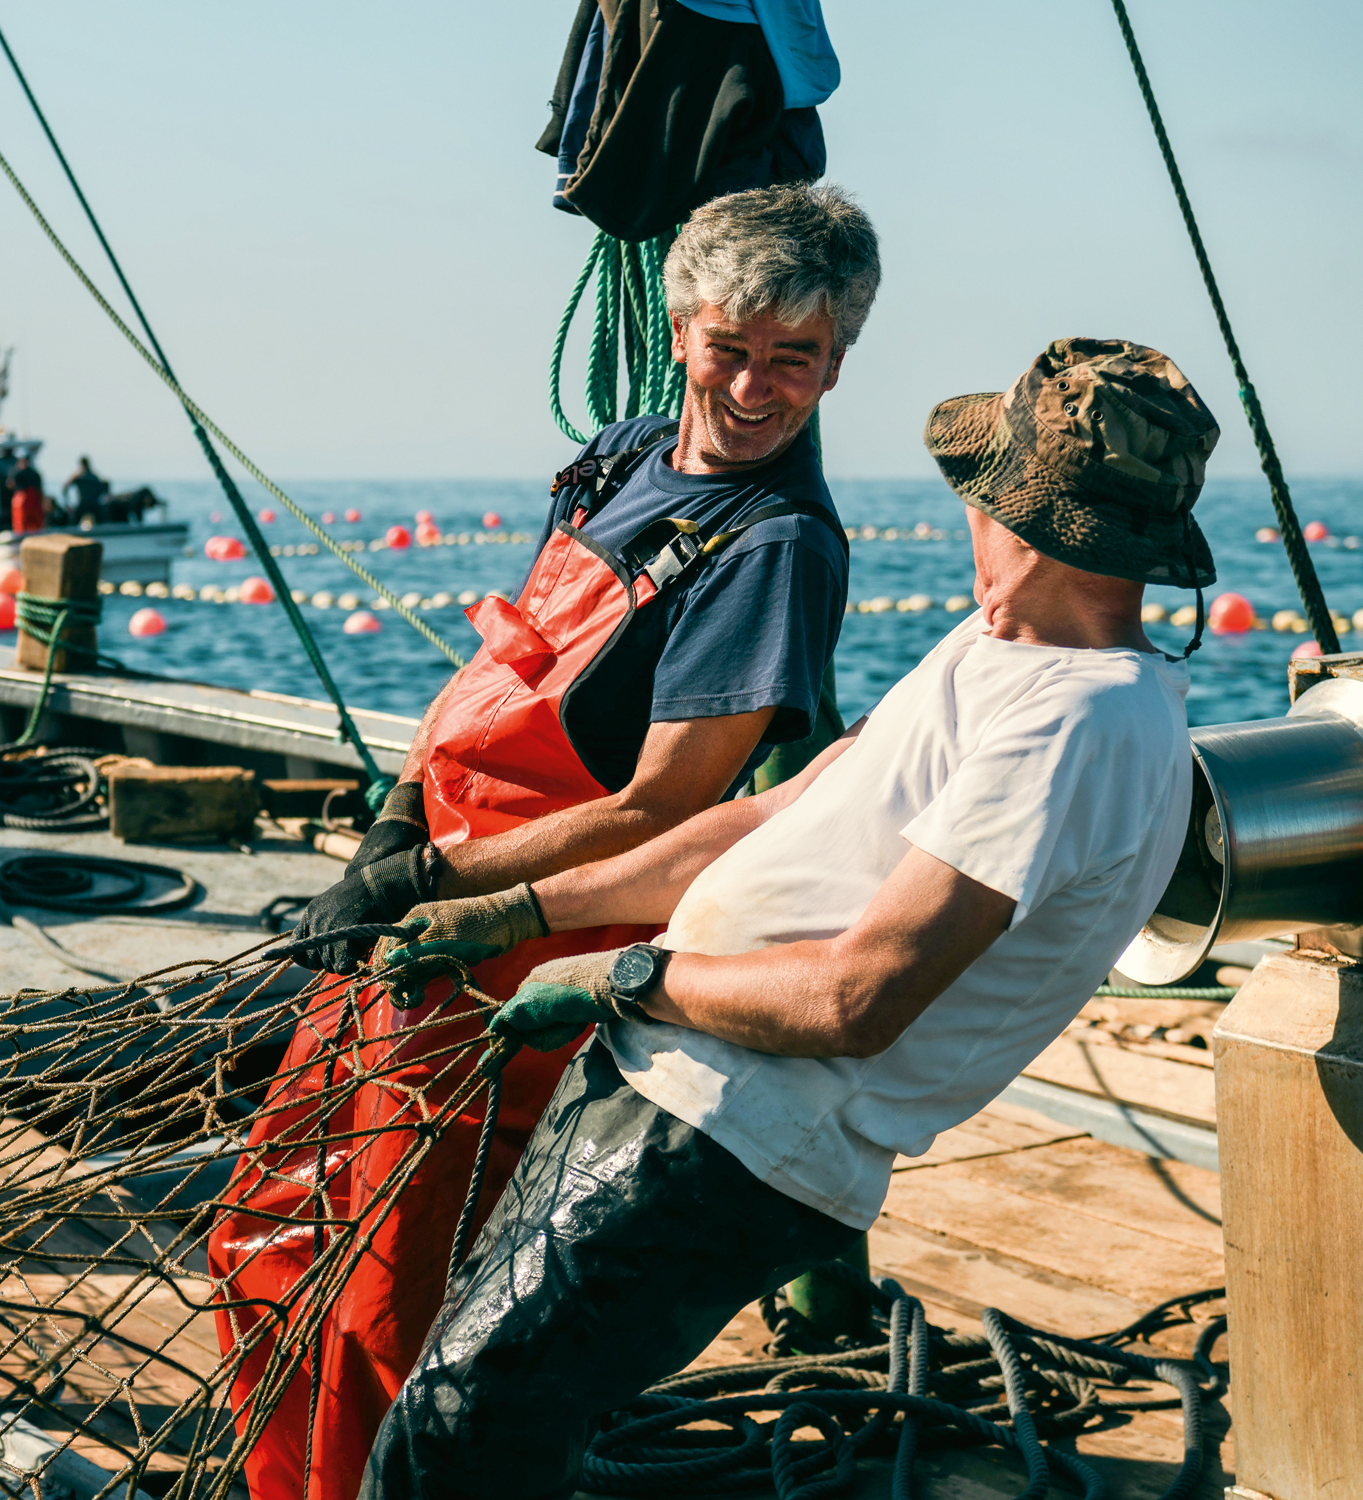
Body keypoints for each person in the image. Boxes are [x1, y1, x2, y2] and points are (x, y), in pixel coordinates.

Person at [359, 338, 1218, 1499]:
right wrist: (518, 910)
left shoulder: (1082, 721)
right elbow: (763, 817)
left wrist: (627, 980)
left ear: (1017, 513)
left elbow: (856, 999)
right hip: (669, 1090)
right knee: (481, 1423)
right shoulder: (996, 646)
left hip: (732, 1140)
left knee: (455, 1442)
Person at [214, 180, 877, 1500]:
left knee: (404, 1289)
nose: (752, 388)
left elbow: (663, 804)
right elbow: (498, 668)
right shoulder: (620, 459)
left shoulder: (773, 550)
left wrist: (438, 877)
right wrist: (395, 822)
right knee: (275, 1224)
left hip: (525, 951)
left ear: (837, 359)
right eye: (729, 349)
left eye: (791, 360)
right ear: (680, 325)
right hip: (413, 915)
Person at [62, 455, 110, 524]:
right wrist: (68, 504)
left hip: (86, 505)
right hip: (92, 505)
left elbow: (65, 488)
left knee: (72, 523)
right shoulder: (94, 477)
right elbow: (105, 489)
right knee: (102, 521)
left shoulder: (80, 476)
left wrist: (68, 504)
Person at [7, 453, 47, 532]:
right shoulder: (35, 473)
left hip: (23, 502)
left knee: (22, 525)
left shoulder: (17, 473)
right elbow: (40, 490)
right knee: (35, 524)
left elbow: (10, 484)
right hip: (34, 501)